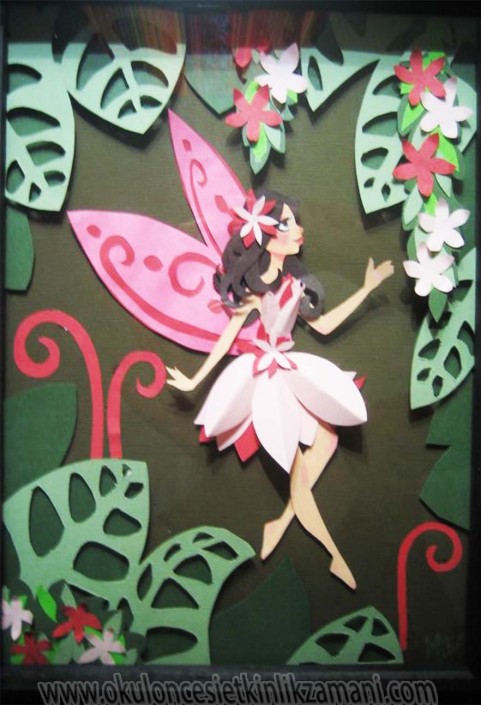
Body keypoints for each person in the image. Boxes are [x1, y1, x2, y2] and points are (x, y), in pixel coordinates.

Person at [167, 189, 394, 589]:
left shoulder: (294, 283)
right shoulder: (256, 293)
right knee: (293, 464)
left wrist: (365, 289)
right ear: (264, 236)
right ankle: (334, 554)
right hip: (266, 380)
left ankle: (281, 522)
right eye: (286, 223)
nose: (298, 229)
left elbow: (324, 326)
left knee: (327, 440)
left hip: (291, 368)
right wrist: (194, 380)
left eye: (295, 221)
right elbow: (228, 337)